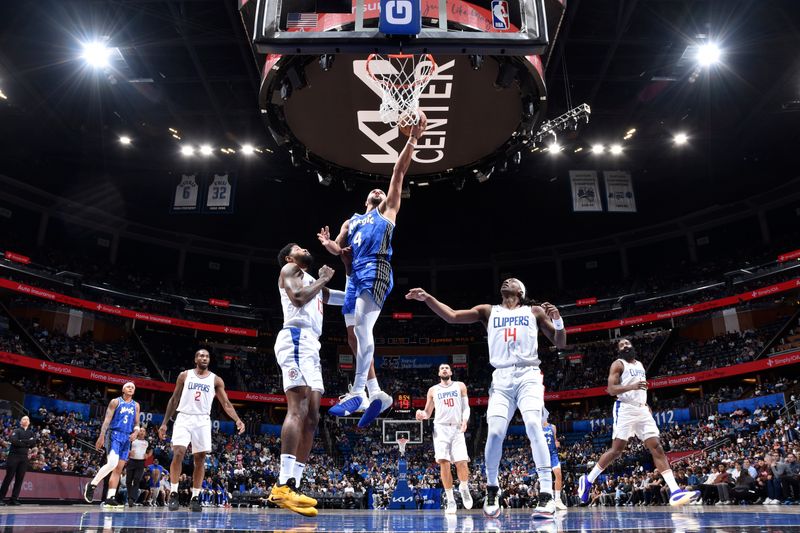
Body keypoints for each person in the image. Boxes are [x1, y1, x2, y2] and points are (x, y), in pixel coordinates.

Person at [406, 278, 565, 519]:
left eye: (513, 280)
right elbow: (452, 316)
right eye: (505, 279)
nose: (507, 280)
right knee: (494, 432)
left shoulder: (534, 311)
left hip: (528, 375)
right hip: (501, 378)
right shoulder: (488, 311)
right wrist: (428, 298)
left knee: (534, 425)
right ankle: (492, 489)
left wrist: (558, 321)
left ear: (521, 291)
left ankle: (546, 494)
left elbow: (560, 342)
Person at [318, 111, 428, 427]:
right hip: (354, 278)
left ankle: (357, 392)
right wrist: (330, 246)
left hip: (377, 271)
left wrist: (412, 139)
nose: (379, 191)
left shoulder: (387, 212)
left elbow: (398, 171)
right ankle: (378, 393)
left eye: (382, 191)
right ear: (366, 197)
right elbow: (339, 249)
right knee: (353, 337)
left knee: (363, 330)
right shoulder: (351, 221)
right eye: (374, 191)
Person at [268, 243, 347, 517]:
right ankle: (281, 484)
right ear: (290, 257)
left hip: (312, 345)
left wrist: (363, 299)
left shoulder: (313, 281)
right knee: (298, 409)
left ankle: (294, 484)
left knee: (313, 417)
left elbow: (335, 298)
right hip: (296, 338)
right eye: (300, 247)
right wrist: (325, 278)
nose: (305, 249)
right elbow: (299, 298)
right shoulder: (289, 269)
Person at [577, 338, 700, 507]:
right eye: (621, 345)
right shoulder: (618, 364)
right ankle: (588, 479)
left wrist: (645, 404)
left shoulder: (640, 365)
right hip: (625, 409)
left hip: (642, 409)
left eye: (627, 343)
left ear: (632, 346)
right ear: (619, 351)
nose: (625, 346)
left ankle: (675, 492)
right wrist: (632, 387)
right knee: (616, 450)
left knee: (656, 446)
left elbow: (640, 389)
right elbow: (611, 389)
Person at [158, 348, 245, 512]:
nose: (204, 358)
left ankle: (195, 497)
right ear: (195, 359)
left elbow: (225, 403)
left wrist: (237, 419)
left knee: (200, 459)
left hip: (202, 419)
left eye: (206, 356)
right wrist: (164, 423)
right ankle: (174, 493)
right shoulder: (184, 375)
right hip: (183, 416)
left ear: (209, 360)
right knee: (178, 453)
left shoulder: (216, 380)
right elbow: (174, 399)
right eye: (201, 355)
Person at [415, 363, 473, 514]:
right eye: (442, 368)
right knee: (444, 463)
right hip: (440, 428)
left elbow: (466, 407)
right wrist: (421, 414)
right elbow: (427, 412)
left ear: (451, 372)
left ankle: (464, 487)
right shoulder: (433, 390)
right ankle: (450, 499)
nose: (444, 369)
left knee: (461, 462)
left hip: (457, 427)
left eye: (447, 368)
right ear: (438, 373)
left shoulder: (460, 386)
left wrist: (465, 420)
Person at [83, 382, 140, 507]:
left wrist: (136, 431)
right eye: (128, 387)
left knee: (118, 469)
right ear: (123, 389)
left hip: (127, 438)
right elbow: (107, 420)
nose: (131, 388)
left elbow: (137, 423)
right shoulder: (115, 402)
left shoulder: (136, 405)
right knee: (112, 463)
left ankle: (110, 497)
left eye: (133, 388)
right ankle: (92, 485)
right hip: (114, 434)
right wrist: (101, 436)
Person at [0, 415, 35, 505]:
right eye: (24, 419)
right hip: (13, 456)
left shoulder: (31, 432)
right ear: (20, 422)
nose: (26, 420)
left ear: (29, 422)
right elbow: (14, 441)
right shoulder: (16, 430)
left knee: (20, 479)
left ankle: (13, 499)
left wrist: (22, 441)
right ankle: (0, 498)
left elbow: (33, 443)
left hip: (24, 458)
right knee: (9, 477)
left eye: (27, 419)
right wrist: (27, 442)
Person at [542, 411, 568, 510]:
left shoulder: (552, 427)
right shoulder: (537, 427)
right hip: (543, 455)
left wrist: (557, 442)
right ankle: (547, 500)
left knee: (558, 474)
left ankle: (558, 500)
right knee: (545, 478)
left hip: (553, 454)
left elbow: (555, 439)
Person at [125, 427, 148, 507]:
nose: (141, 432)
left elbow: (151, 450)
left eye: (143, 431)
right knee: (128, 481)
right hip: (131, 461)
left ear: (145, 433)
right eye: (140, 431)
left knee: (136, 480)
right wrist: (129, 452)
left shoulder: (147, 442)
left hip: (141, 462)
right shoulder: (133, 439)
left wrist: (148, 455)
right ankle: (130, 497)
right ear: (138, 432)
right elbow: (125, 446)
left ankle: (131, 499)